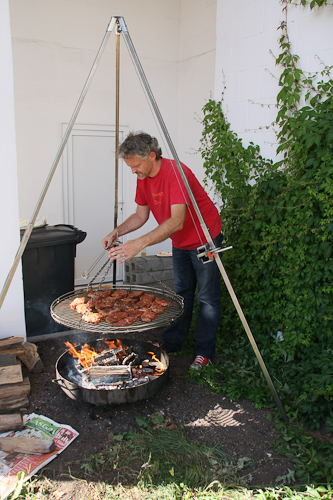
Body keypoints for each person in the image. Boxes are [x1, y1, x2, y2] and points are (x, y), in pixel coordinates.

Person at [102, 132, 222, 368]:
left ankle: (204, 352)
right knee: (180, 294)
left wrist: (140, 243)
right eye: (130, 166)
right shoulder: (142, 176)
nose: (133, 171)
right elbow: (140, 215)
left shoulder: (177, 173)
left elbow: (176, 221)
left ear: (152, 156)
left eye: (135, 165)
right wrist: (117, 232)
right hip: (180, 241)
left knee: (207, 298)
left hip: (203, 239)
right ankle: (173, 342)